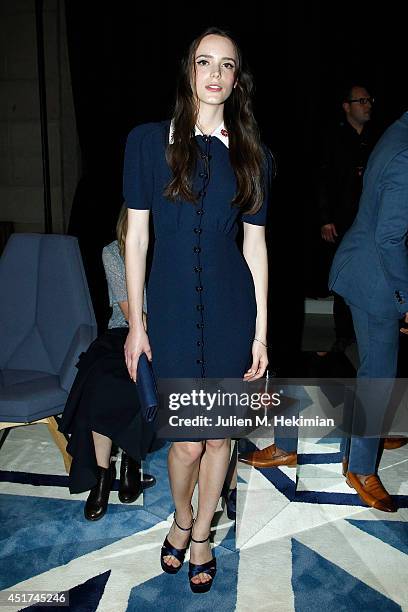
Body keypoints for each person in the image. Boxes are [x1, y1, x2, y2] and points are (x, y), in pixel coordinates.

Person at [123, 27, 270, 593]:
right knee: (186, 441)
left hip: (234, 308)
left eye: (227, 65)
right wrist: (137, 324)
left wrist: (259, 333)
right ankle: (181, 517)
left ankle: (203, 531)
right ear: (188, 69)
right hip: (173, 308)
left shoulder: (256, 156)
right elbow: (136, 239)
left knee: (219, 438)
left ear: (237, 79)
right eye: (205, 62)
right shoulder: (145, 142)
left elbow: (255, 249)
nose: (215, 74)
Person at [329, 110, 408, 512]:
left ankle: (365, 437)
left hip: (365, 267)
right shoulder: (404, 153)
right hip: (375, 277)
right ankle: (360, 467)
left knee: (372, 372)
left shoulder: (397, 132)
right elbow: (390, 237)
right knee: (379, 374)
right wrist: (405, 298)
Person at [59, 205, 156, 521]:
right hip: (122, 333)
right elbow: (132, 316)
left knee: (140, 381)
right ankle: (101, 476)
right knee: (100, 381)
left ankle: (131, 461)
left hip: (165, 340)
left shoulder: (171, 254)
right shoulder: (113, 252)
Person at [319, 84, 378, 352]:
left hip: (372, 218)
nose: (367, 105)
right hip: (343, 219)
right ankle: (343, 334)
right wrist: (325, 218)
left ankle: (369, 330)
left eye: (369, 100)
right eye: (361, 100)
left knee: (371, 274)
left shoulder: (377, 137)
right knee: (344, 274)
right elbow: (321, 181)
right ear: (347, 106)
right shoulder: (333, 138)